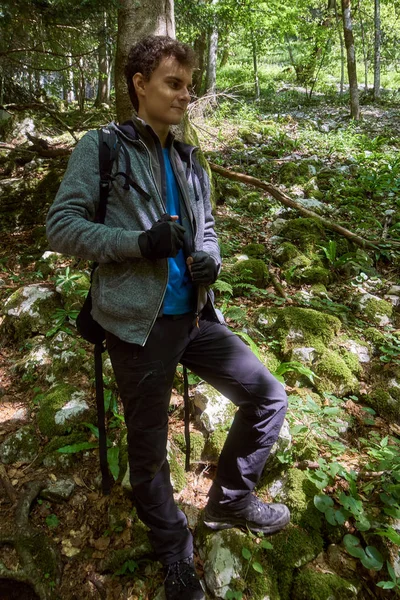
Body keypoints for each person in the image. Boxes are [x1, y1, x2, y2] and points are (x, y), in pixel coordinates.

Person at [46, 35, 290, 600]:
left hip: (198, 319)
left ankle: (229, 503)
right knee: (149, 453)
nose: (185, 95)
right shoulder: (102, 147)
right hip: (137, 326)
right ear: (140, 84)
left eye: (188, 84)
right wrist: (139, 241)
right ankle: (175, 555)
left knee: (267, 396)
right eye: (173, 84)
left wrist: (211, 260)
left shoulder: (188, 156)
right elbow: (62, 225)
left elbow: (207, 229)